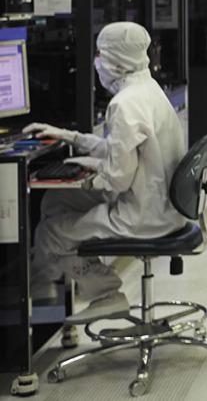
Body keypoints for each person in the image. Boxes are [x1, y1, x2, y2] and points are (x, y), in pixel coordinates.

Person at [26, 21, 188, 324]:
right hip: (164, 206)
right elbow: (123, 148)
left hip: (141, 218)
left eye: (100, 54)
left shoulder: (124, 104)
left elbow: (118, 178)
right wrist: (71, 138)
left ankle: (104, 295)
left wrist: (86, 174)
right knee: (54, 203)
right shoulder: (148, 89)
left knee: (50, 232)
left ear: (116, 60)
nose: (96, 63)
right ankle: (72, 289)